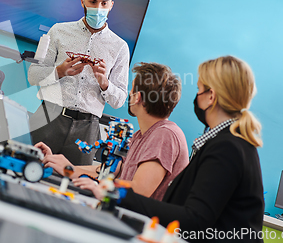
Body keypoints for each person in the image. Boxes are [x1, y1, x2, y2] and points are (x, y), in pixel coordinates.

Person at [89, 56, 264, 242]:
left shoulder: (227, 148)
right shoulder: (229, 143)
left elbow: (194, 219)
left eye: (199, 89)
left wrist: (120, 195)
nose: (196, 96)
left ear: (211, 96)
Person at [37, 62, 189, 200]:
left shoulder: (165, 135)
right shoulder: (141, 136)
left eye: (132, 89)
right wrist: (66, 167)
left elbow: (140, 190)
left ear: (137, 98)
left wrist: (97, 186)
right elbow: (106, 171)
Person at [28, 0, 129, 165]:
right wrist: (59, 71)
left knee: (73, 185)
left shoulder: (120, 47)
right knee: (27, 169)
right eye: (92, 2)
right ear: (82, 1)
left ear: (111, 5)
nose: (98, 8)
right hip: (48, 116)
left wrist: (104, 83)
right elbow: (33, 75)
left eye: (104, 3)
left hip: (87, 129)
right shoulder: (57, 31)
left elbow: (119, 100)